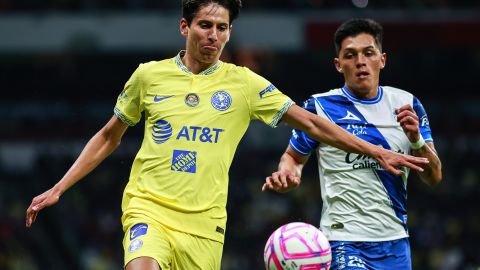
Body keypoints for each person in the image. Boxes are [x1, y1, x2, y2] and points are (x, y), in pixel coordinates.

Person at [25, 3, 428, 269]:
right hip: (149, 208)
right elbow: (109, 135)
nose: (213, 35)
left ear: (229, 33)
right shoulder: (148, 76)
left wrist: (376, 151)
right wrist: (60, 187)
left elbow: (311, 123)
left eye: (222, 28)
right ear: (185, 27)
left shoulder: (245, 85)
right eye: (204, 25)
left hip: (205, 225)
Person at [263, 18, 442, 269]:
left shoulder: (407, 104)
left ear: (382, 59)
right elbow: (293, 157)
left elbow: (434, 177)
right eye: (350, 55)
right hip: (343, 240)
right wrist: (288, 173)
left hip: (395, 243)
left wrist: (417, 139)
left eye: (369, 53)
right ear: (338, 64)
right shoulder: (320, 107)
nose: (360, 61)